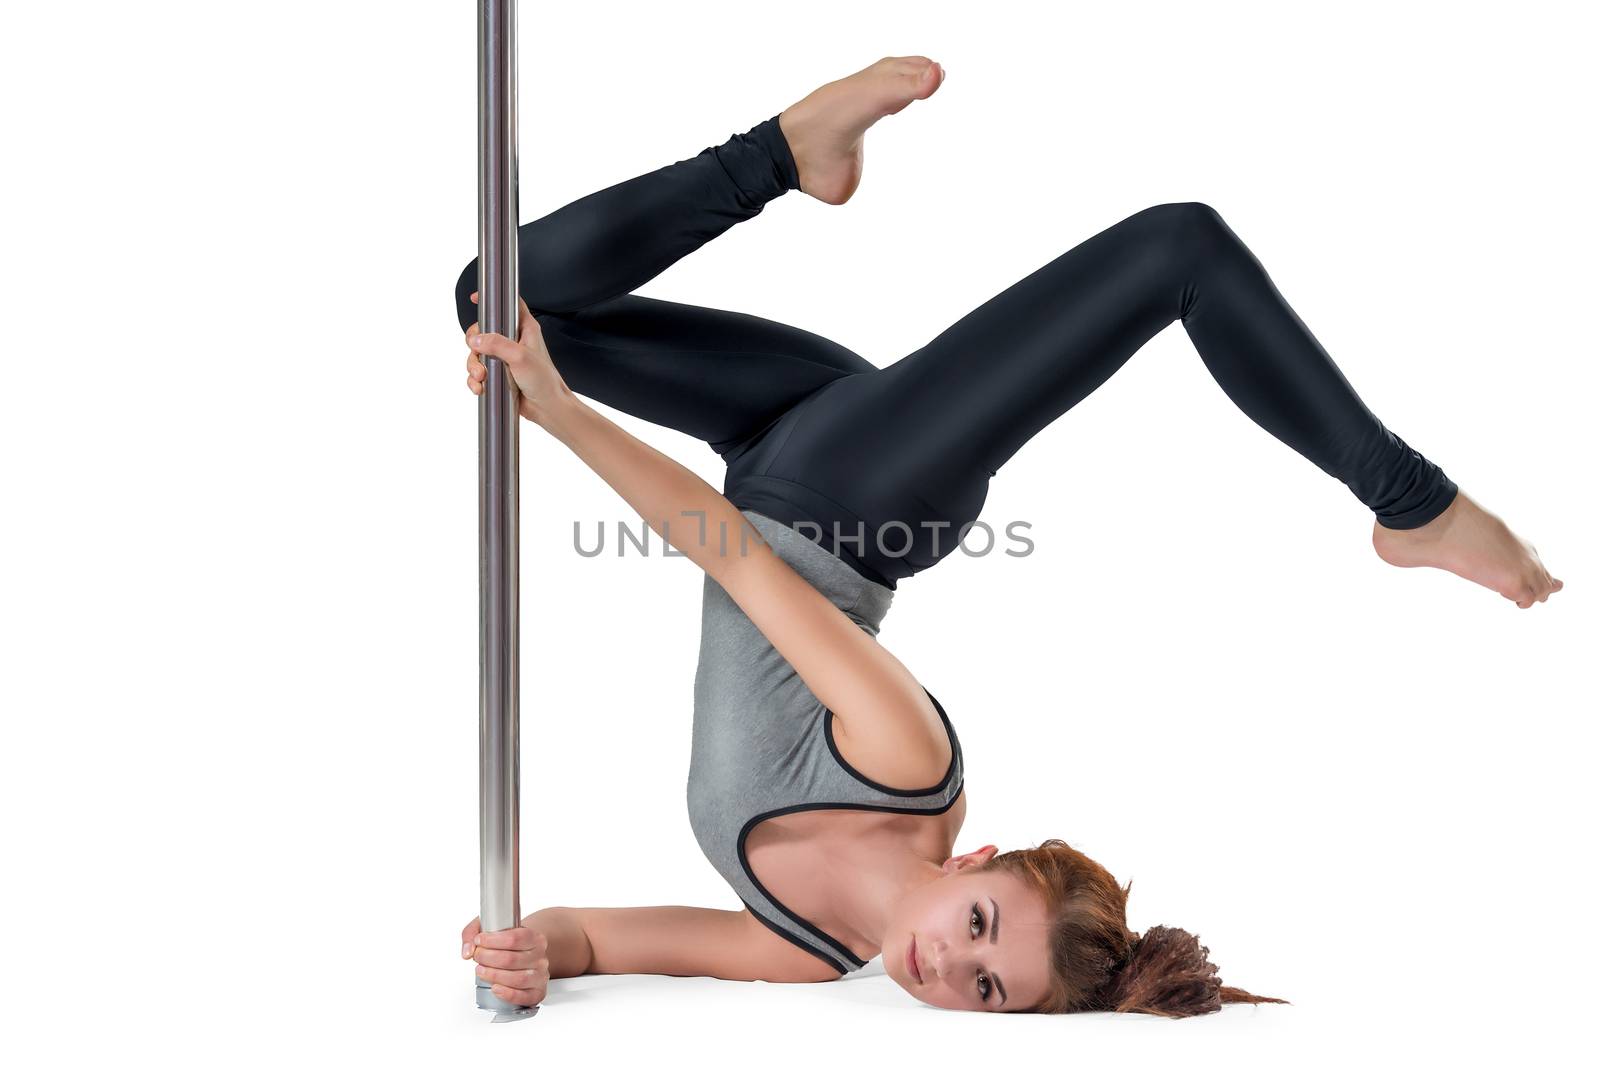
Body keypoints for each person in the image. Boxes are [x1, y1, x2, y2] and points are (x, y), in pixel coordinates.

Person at [451, 57, 1562, 1015]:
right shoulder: (904, 761)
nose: (949, 961)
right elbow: (728, 554)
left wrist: (531, 953)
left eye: (987, 987)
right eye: (983, 923)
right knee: (1175, 249)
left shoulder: (797, 950)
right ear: (974, 859)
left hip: (779, 454)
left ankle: (794, 155)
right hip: (858, 492)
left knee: (496, 295)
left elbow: (593, 939)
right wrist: (559, 411)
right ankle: (1412, 504)